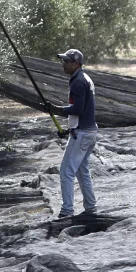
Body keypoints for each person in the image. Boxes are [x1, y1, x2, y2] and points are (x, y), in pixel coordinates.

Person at [49, 49, 99, 219]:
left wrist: (56, 109)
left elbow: (77, 109)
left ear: (76, 63)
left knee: (66, 172)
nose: (64, 64)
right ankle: (91, 208)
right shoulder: (83, 78)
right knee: (82, 171)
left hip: (83, 133)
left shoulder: (78, 82)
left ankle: (67, 211)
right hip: (89, 131)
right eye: (64, 61)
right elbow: (80, 108)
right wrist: (68, 128)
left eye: (67, 61)